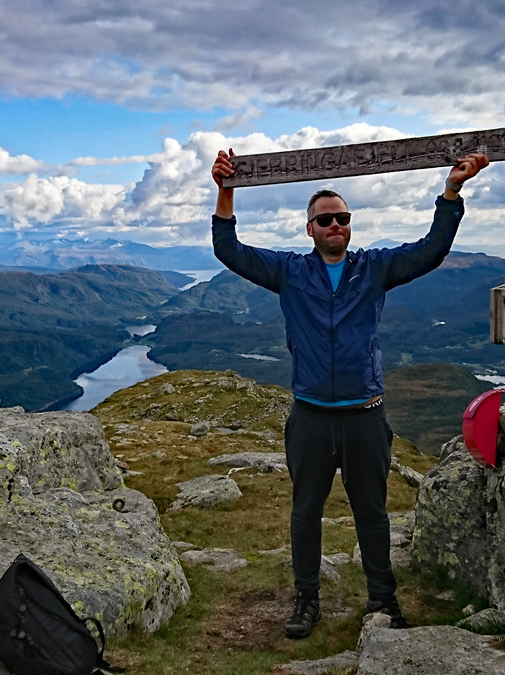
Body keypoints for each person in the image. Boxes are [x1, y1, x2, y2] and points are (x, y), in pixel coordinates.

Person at [210, 148, 490, 639]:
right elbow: (230, 252)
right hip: (312, 417)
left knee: (372, 513)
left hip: (365, 415)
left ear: (350, 224)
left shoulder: (375, 268)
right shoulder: (289, 272)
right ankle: (306, 599)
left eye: (342, 217)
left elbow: (430, 251)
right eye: (325, 219)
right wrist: (226, 191)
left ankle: (383, 602)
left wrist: (451, 192)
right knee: (305, 513)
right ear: (310, 229)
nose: (335, 224)